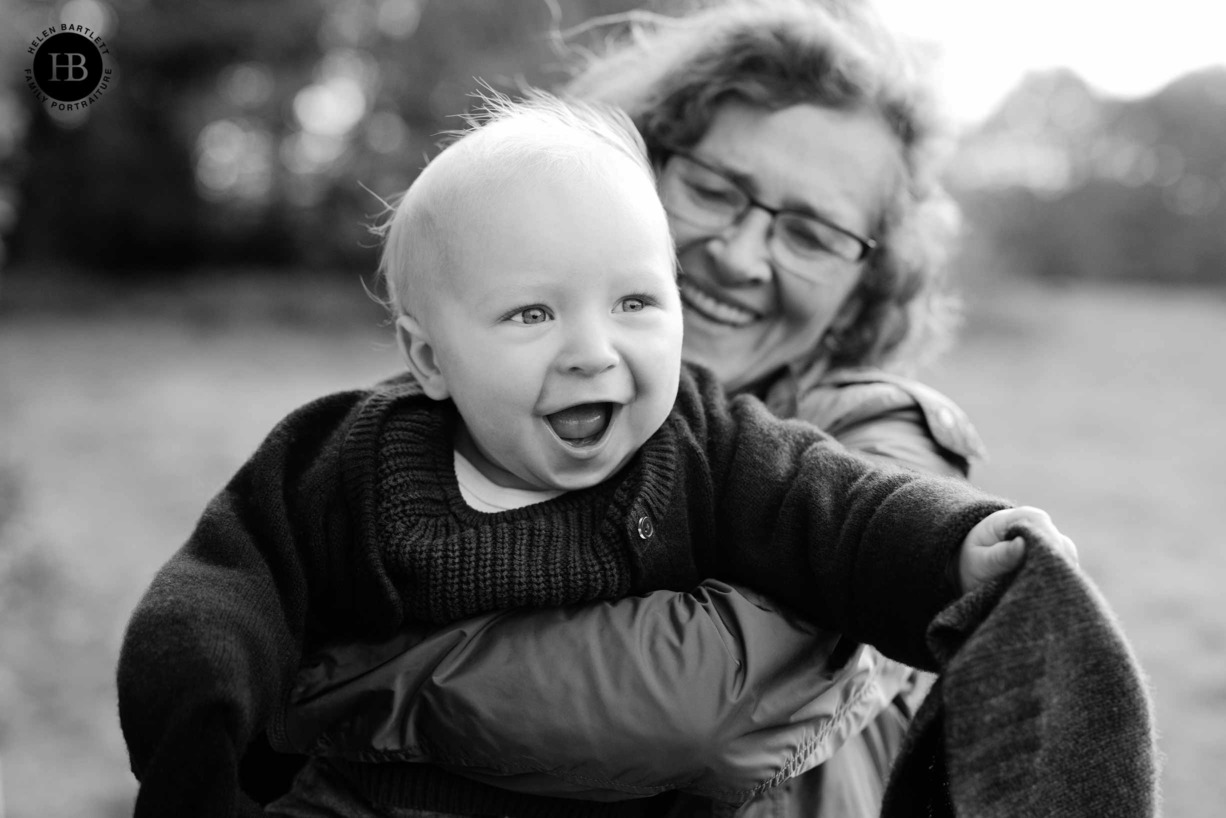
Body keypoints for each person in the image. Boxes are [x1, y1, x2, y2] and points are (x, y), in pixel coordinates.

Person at [116, 91, 1073, 818]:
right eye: (534, 311)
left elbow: (835, 512)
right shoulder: (351, 461)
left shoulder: (709, 444)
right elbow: (215, 600)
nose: (592, 349)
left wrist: (956, 552)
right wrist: (206, 751)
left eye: (634, 303)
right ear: (427, 356)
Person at [258, 1, 988, 815]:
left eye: (812, 235)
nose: (740, 257)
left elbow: (689, 706)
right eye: (713, 190)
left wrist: (319, 689)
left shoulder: (884, 442)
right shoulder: (477, 412)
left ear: (868, 288)